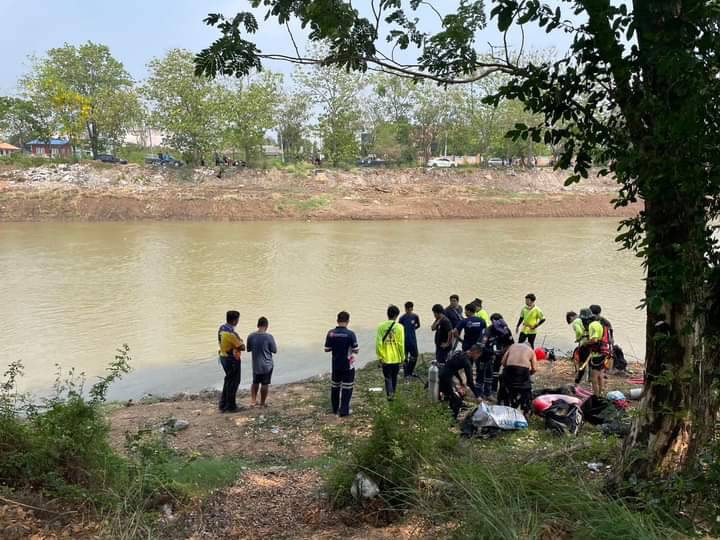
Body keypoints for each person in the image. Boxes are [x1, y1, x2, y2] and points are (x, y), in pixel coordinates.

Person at [324, 311, 359, 417]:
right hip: (348, 365)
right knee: (347, 388)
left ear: (337, 320)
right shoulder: (350, 334)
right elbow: (356, 349)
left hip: (335, 364)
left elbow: (327, 349)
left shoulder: (331, 333)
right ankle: (344, 411)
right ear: (348, 321)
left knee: (335, 387)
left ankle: (335, 409)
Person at [439, 345, 483, 418]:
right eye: (478, 355)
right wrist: (477, 396)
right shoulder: (466, 362)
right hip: (445, 378)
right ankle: (451, 420)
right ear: (475, 352)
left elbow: (453, 367)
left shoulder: (460, 353)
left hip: (441, 374)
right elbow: (470, 382)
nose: (477, 358)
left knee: (450, 397)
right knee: (457, 401)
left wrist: (460, 380)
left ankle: (444, 413)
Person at [218, 310, 246, 413]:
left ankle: (223, 404)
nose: (238, 321)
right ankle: (231, 406)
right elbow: (242, 347)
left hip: (223, 357)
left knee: (228, 381)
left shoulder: (222, 328)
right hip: (232, 359)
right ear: (235, 320)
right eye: (238, 319)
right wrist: (240, 340)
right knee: (234, 382)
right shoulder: (231, 333)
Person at [498, 342, 537, 414]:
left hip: (510, 369)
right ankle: (525, 407)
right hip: (523, 371)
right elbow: (534, 368)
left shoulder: (512, 346)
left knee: (505, 384)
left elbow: (503, 362)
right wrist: (529, 374)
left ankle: (502, 401)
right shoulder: (531, 350)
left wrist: (508, 370)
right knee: (526, 389)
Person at [246, 317, 277, 408]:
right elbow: (274, 350)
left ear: (257, 325)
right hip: (267, 365)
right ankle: (262, 403)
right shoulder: (269, 337)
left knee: (255, 382)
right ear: (266, 326)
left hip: (256, 365)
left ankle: (253, 401)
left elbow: (249, 349)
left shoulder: (251, 336)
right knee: (265, 384)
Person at [376, 305, 405, 400]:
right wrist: (403, 357)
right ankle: (393, 393)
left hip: (385, 357)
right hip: (396, 357)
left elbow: (378, 343)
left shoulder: (381, 327)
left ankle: (390, 394)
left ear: (387, 314)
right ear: (396, 315)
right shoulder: (400, 327)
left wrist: (380, 357)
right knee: (394, 376)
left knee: (387, 377)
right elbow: (401, 344)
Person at [482, 313, 514, 397]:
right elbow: (483, 345)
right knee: (488, 372)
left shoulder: (505, 329)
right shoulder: (488, 331)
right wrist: (492, 352)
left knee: (496, 372)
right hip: (489, 354)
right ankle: (487, 391)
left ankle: (494, 390)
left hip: (501, 354)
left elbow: (510, 343)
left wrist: (503, 352)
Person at [588, 313, 610, 395]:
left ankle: (596, 396)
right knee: (600, 375)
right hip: (603, 352)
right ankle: (600, 394)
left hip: (596, 355)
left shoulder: (592, 325)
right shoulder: (602, 325)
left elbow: (594, 339)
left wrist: (586, 343)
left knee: (594, 377)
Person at [398, 301, 421, 379]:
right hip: (404, 341)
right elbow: (398, 329)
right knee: (405, 358)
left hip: (413, 340)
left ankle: (410, 371)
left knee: (415, 356)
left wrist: (412, 329)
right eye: (407, 309)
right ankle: (406, 374)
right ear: (405, 309)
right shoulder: (402, 318)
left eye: (410, 309)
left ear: (412, 308)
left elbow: (418, 325)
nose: (408, 310)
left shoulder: (415, 316)